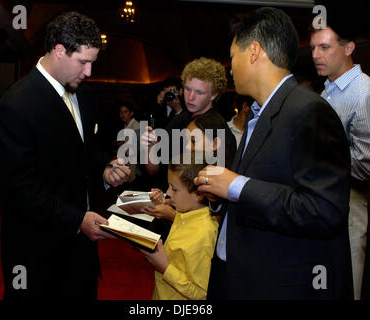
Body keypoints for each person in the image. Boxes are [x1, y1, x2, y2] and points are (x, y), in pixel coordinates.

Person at [194, 7, 353, 299]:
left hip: (273, 282)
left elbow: (324, 211)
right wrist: (222, 195)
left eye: (232, 57)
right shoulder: (260, 112)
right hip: (237, 272)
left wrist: (236, 186)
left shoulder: (309, 111)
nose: (230, 68)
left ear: (254, 51)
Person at [0, 11, 131, 299]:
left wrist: (105, 168)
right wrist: (76, 220)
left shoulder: (86, 95)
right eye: (83, 62)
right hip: (36, 252)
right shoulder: (16, 105)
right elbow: (19, 189)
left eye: (92, 62)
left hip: (81, 250)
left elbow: (85, 154)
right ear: (58, 51)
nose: (89, 72)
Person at [310, 20, 370, 300]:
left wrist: (323, 165)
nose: (315, 55)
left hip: (349, 203)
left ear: (349, 48)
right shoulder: (329, 89)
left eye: (324, 47)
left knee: (348, 284)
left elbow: (366, 167)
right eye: (313, 48)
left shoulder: (363, 94)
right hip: (325, 201)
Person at [141, 152, 219, 300]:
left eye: (174, 189)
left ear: (199, 193)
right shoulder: (185, 213)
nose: (168, 193)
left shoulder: (204, 234)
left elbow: (201, 294)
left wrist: (164, 267)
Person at [142, 111, 237, 222]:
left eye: (193, 141)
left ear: (215, 144)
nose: (187, 147)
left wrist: (172, 215)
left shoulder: (223, 180)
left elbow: (214, 228)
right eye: (186, 140)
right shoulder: (193, 169)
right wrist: (169, 199)